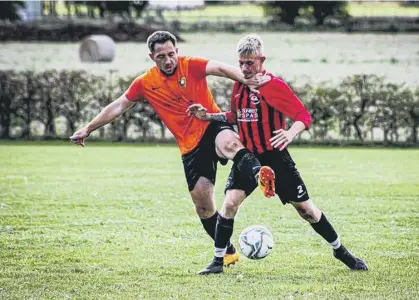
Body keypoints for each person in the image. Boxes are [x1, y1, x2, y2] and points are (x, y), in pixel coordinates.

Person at [70, 31, 276, 267]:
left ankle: (259, 174)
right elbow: (119, 105)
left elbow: (219, 68)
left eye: (171, 54)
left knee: (229, 142)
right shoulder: (145, 83)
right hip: (189, 146)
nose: (168, 60)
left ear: (177, 51)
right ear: (152, 57)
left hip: (211, 123)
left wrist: (246, 79)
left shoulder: (191, 65)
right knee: (203, 206)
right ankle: (227, 252)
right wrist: (88, 128)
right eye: (161, 56)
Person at [188, 34, 368, 275]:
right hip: (248, 158)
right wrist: (209, 116)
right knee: (229, 204)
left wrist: (290, 133)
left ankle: (340, 250)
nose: (244, 68)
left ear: (262, 60)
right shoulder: (239, 85)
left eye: (249, 63)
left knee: (307, 211)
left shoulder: (273, 86)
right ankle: (218, 261)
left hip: (276, 158)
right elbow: (236, 116)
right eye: (241, 63)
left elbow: (303, 116)